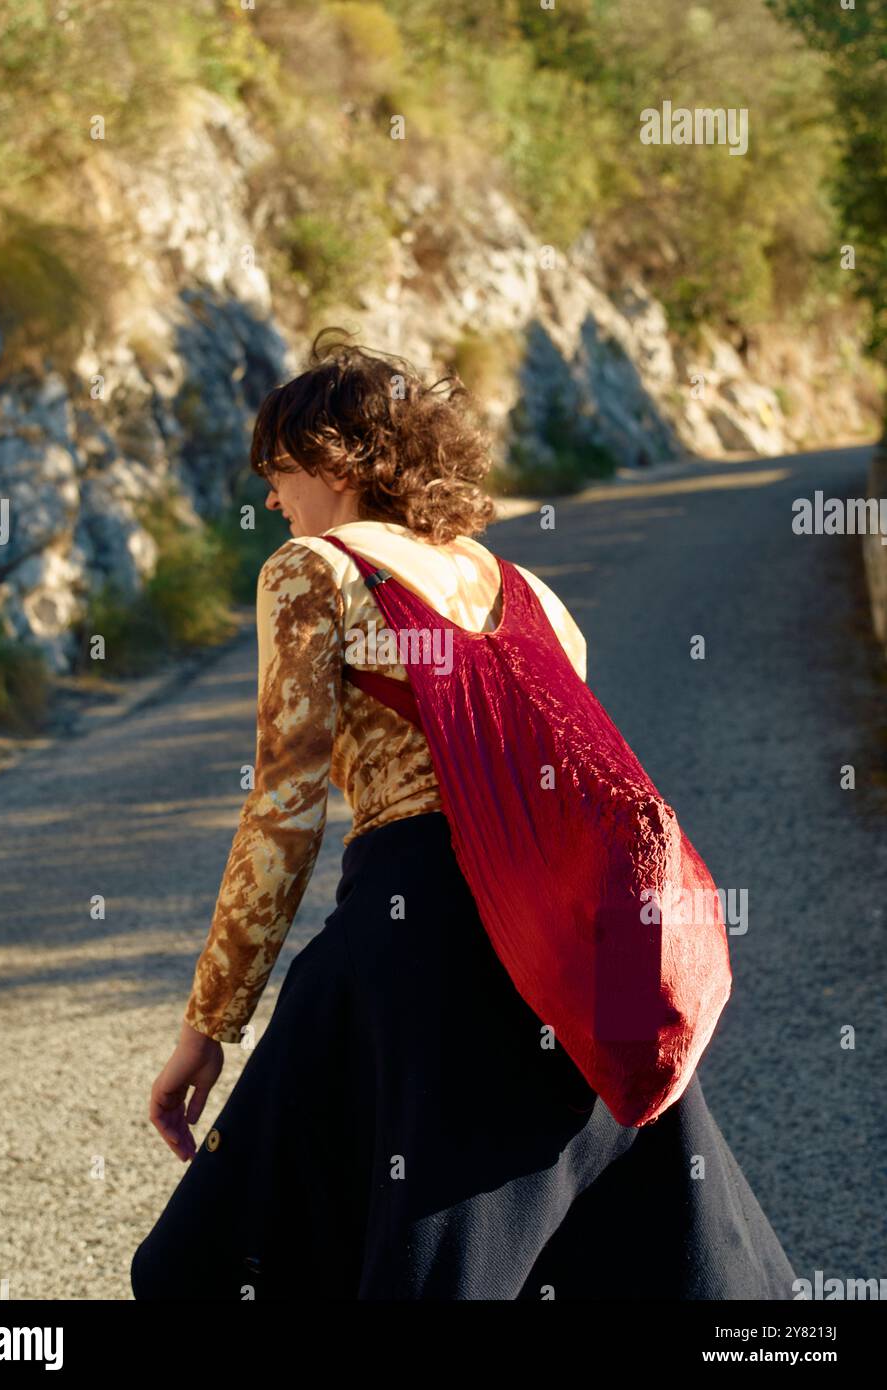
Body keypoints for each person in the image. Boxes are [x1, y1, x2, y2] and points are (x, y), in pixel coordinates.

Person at [130, 327, 798, 1300]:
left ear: (337, 460)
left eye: (278, 471)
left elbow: (284, 804)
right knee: (605, 1254)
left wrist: (209, 1022)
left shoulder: (312, 570)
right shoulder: (534, 594)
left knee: (217, 1259)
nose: (272, 500)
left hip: (417, 936)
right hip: (562, 952)